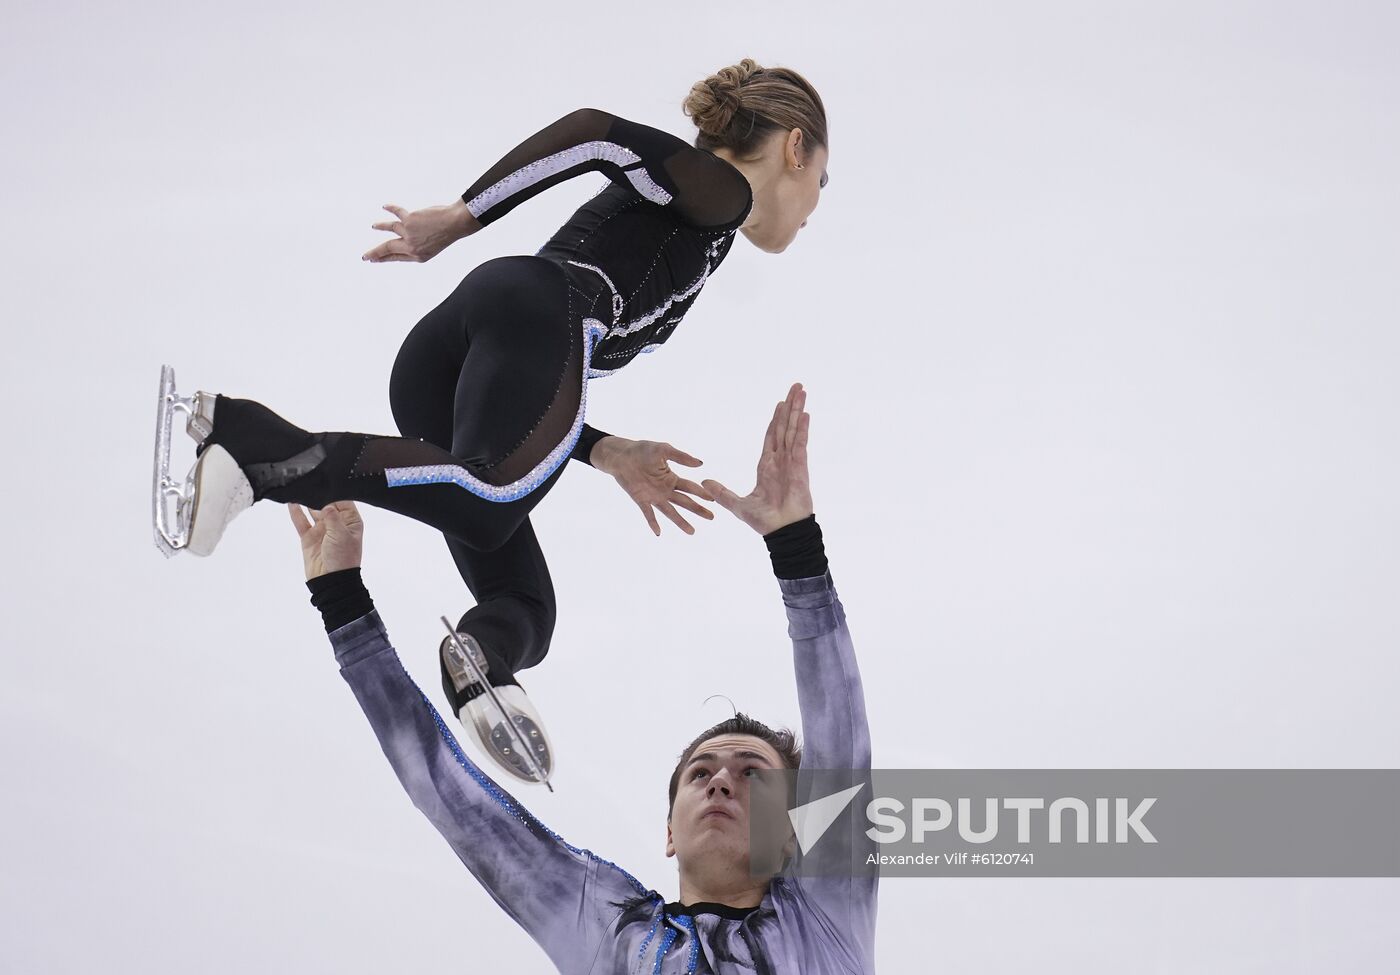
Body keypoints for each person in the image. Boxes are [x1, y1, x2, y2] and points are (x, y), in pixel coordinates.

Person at [165, 59, 830, 780]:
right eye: (822, 181)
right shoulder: (721, 191)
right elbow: (594, 133)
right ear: (794, 147)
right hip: (537, 309)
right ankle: (253, 442)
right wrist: (459, 217)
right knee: (488, 505)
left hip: (467, 345)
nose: (816, 206)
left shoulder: (709, 221)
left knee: (524, 603)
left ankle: (484, 655)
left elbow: (533, 381)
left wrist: (605, 450)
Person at [290, 385, 876, 973]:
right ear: (670, 831)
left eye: (752, 775)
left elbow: (841, 739)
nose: (721, 783)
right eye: (701, 773)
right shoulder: (610, 931)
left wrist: (795, 547)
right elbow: (454, 801)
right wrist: (342, 604)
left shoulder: (826, 917)